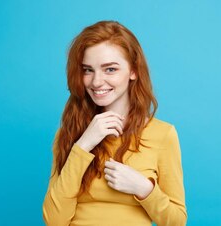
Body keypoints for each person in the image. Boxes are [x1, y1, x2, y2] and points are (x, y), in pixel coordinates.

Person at [42, 21, 187, 226]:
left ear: (133, 71)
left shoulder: (163, 134)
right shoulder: (70, 134)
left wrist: (144, 189)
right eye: (88, 70)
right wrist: (83, 146)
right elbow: (54, 221)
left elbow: (176, 222)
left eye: (110, 69)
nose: (96, 82)